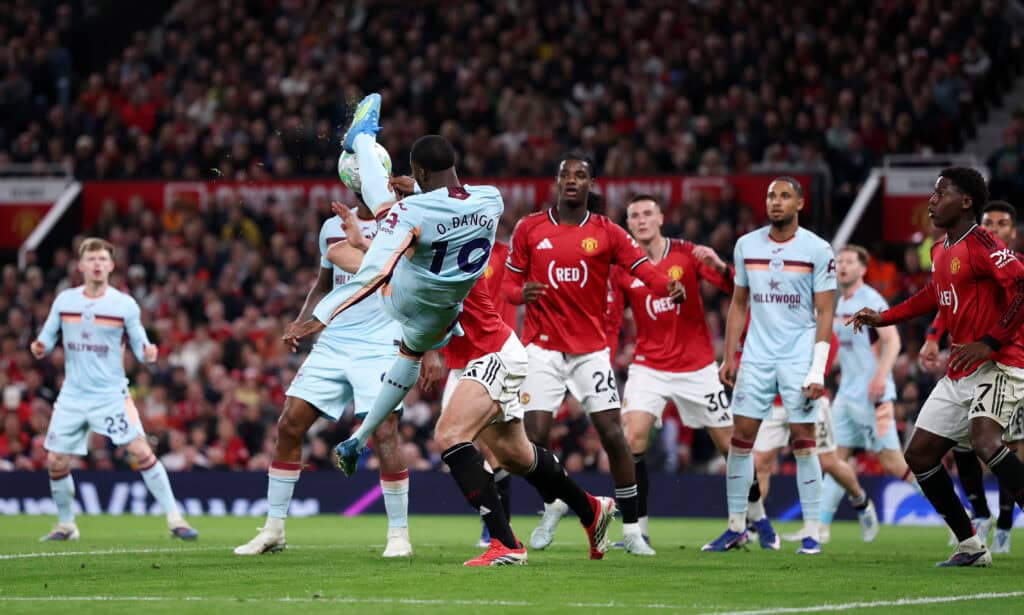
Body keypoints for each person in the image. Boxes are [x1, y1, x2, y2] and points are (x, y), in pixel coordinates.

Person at [288, 100, 504, 477]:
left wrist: (321, 317)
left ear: (420, 171)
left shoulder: (412, 213)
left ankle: (363, 140)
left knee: (382, 220)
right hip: (444, 306)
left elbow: (373, 274)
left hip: (407, 298)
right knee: (405, 365)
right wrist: (418, 187)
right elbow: (455, 196)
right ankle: (358, 438)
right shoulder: (492, 199)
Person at [233, 134, 413, 558]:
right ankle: (274, 530)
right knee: (289, 424)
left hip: (381, 344)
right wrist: (303, 320)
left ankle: (399, 535)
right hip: (334, 344)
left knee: (384, 432)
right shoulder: (333, 227)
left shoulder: (403, 220)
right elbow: (323, 285)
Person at [501, 155, 684, 556]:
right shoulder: (529, 228)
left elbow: (643, 269)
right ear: (557, 181)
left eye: (580, 175)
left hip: (590, 351)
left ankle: (632, 531)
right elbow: (508, 285)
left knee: (613, 435)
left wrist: (668, 287)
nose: (572, 180)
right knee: (533, 439)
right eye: (565, 174)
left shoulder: (607, 231)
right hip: (542, 348)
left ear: (590, 184)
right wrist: (521, 293)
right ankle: (554, 503)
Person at [848, 168, 1024, 567]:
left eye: (941, 192)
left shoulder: (983, 243)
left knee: (985, 441)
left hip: (999, 364)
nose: (931, 199)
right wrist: (884, 317)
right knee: (920, 455)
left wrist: (992, 341)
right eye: (933, 192)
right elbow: (933, 295)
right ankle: (971, 546)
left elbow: (1021, 287)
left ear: (966, 202)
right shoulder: (942, 248)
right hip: (962, 367)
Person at [703, 176, 836, 555]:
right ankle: (736, 527)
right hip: (756, 357)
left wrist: (817, 368)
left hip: (798, 357)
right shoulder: (747, 245)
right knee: (740, 441)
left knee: (804, 441)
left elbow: (826, 311)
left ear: (800, 203)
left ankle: (813, 532)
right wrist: (730, 356)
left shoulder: (817, 249)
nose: (776, 202)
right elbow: (738, 303)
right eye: (771, 196)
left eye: (785, 196)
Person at [33, 237, 198, 542]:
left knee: (140, 450)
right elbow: (46, 336)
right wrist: (40, 346)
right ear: (81, 265)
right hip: (73, 396)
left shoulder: (124, 305)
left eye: (102, 259)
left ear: (111, 266)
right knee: (56, 460)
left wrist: (148, 353)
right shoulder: (65, 301)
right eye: (91, 259)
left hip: (110, 396)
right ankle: (66, 525)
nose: (97, 264)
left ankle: (176, 519)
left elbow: (140, 345)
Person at [605, 194, 741, 546]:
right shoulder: (622, 268)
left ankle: (747, 524)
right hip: (648, 366)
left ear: (661, 218)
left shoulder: (686, 253)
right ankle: (638, 531)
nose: (641, 220)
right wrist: (605, 361)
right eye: (634, 215)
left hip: (697, 367)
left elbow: (735, 289)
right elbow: (613, 321)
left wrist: (720, 265)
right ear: (628, 224)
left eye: (647, 213)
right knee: (632, 439)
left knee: (731, 447)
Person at [918, 199, 1024, 554]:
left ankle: (1005, 525)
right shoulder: (968, 263)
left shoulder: (1013, 268)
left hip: (1010, 367)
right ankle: (979, 520)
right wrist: (932, 337)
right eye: (988, 223)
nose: (993, 229)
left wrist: (994, 342)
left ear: (1013, 232)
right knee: (966, 445)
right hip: (971, 369)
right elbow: (946, 302)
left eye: (1001, 224)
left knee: (1003, 445)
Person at [819, 244, 919, 540]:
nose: (842, 266)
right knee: (833, 460)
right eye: (839, 261)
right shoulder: (839, 303)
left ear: (863, 269)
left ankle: (956, 516)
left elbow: (893, 341)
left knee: (893, 464)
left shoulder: (871, 300)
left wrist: (880, 376)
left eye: (849, 261)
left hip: (874, 397)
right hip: (846, 395)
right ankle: (820, 529)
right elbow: (847, 350)